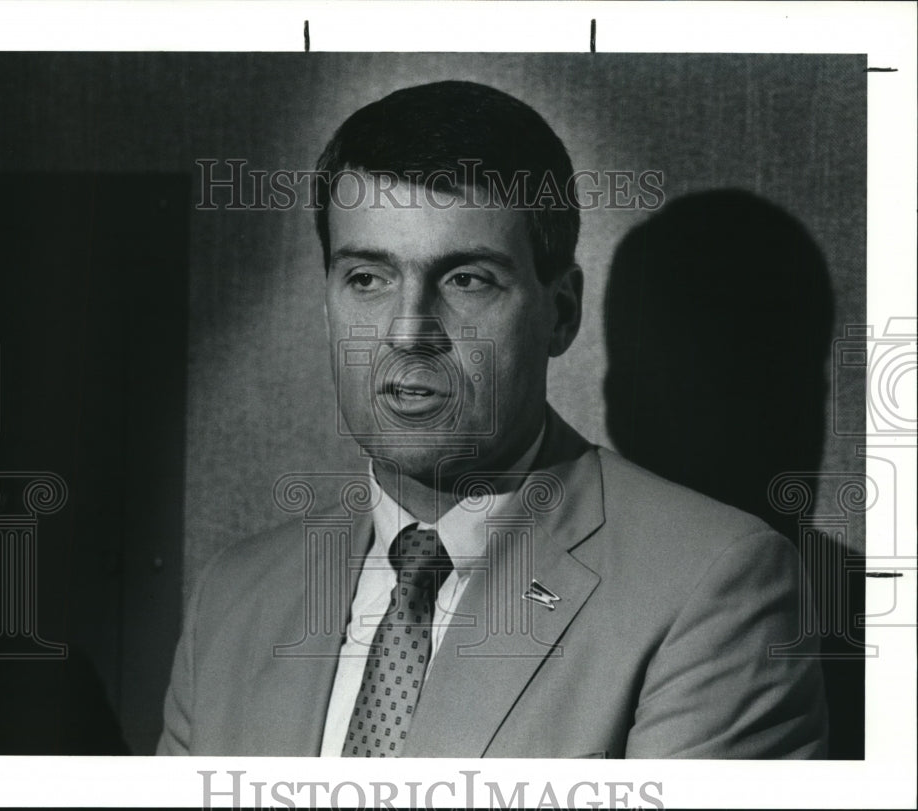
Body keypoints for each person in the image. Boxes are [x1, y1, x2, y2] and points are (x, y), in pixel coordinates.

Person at [157, 80, 828, 758]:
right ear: (329, 301)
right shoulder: (232, 597)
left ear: (560, 312)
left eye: (466, 279)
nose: (408, 331)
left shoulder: (712, 585)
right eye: (367, 277)